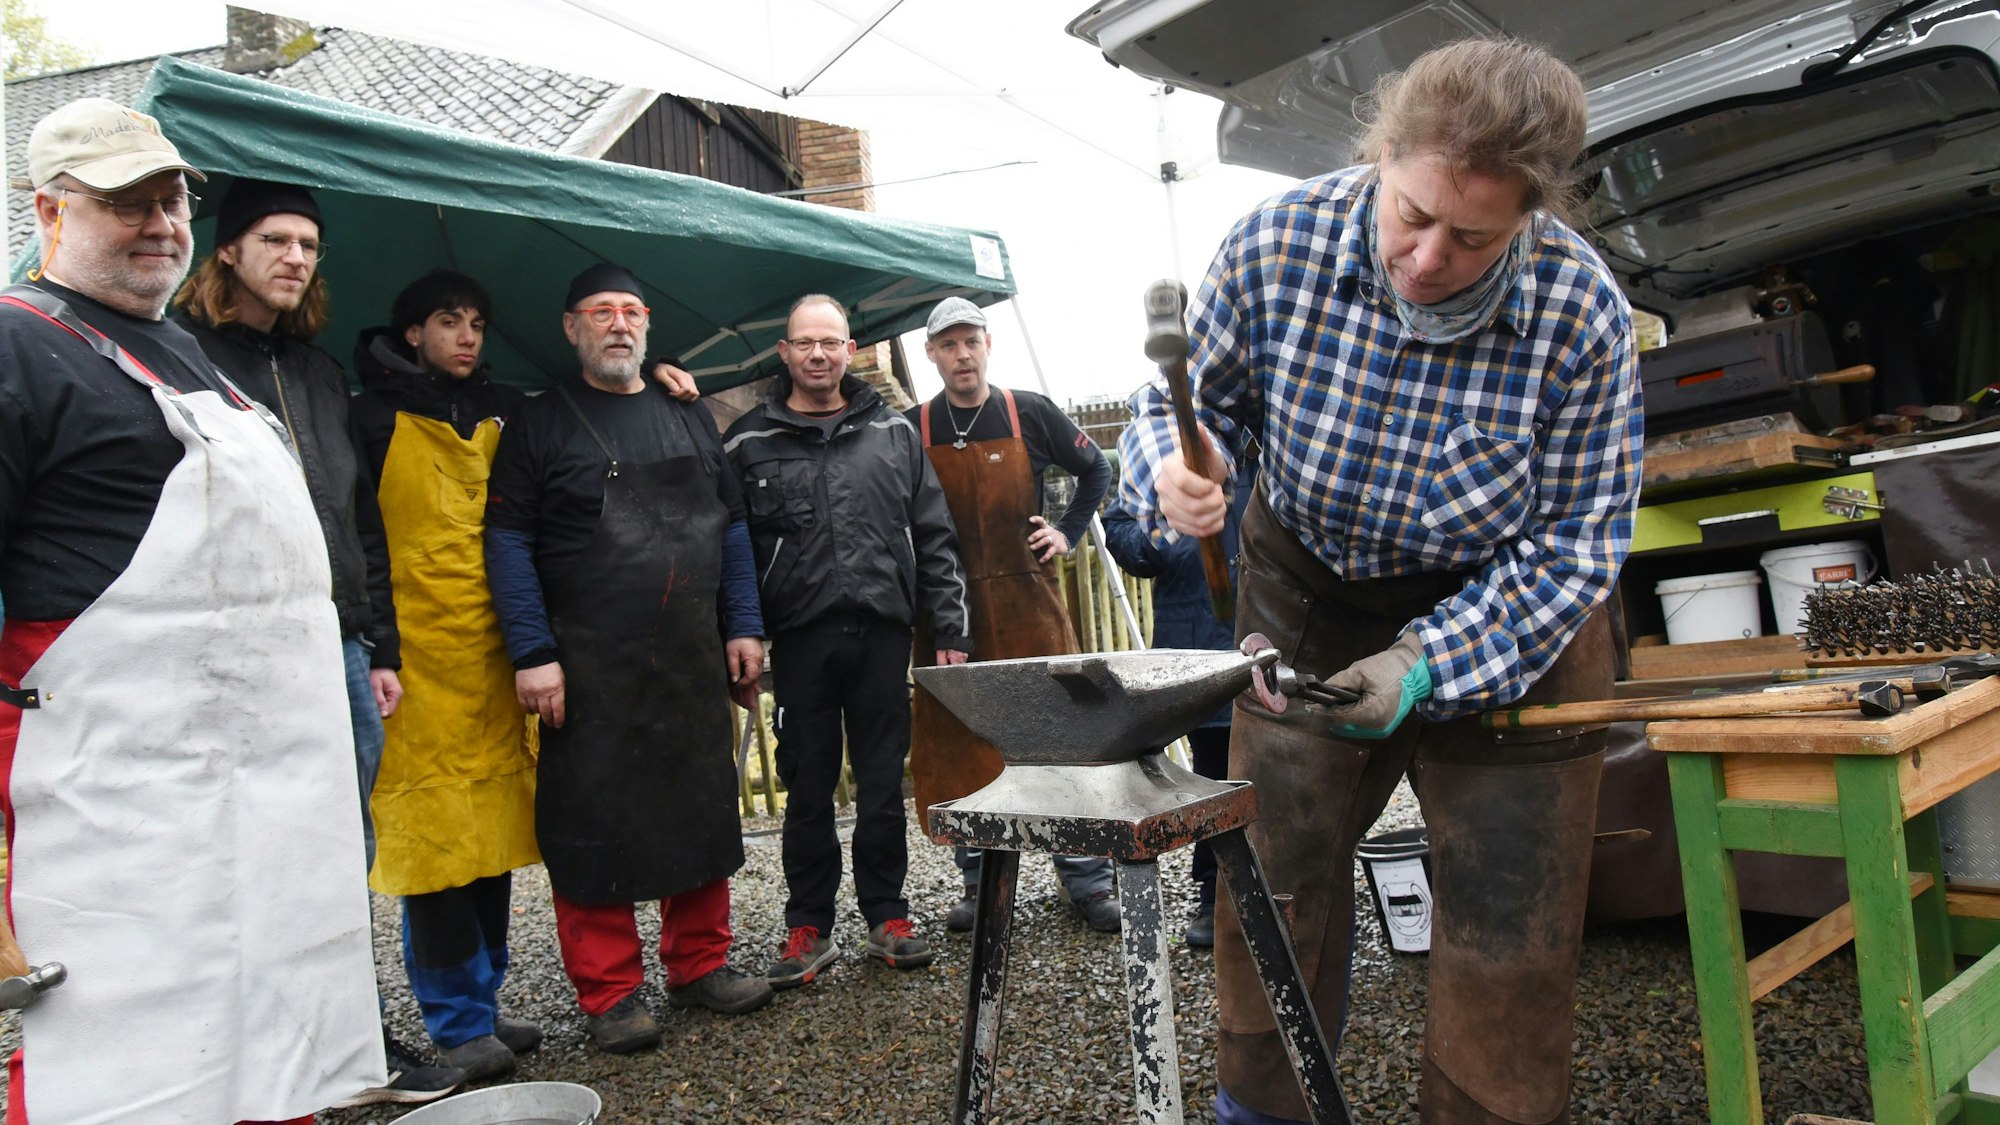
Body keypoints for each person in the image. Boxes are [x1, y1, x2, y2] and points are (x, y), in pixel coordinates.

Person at [1127, 39, 1643, 1125]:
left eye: (1472, 236)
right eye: (1410, 215)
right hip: (1306, 593)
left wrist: (1425, 660)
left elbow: (1578, 543)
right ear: (1381, 156)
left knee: (1508, 917)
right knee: (1271, 881)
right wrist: (1175, 473)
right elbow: (1185, 410)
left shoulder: (1579, 313)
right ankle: (1264, 1112)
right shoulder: (1275, 245)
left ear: (1530, 218)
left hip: (1515, 617)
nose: (1424, 257)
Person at [0, 97, 387, 1122]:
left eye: (171, 201)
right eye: (127, 204)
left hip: (266, 782)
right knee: (130, 1050)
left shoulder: (185, 348)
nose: (162, 225)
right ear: (49, 209)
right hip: (113, 788)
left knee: (273, 1019)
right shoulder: (14, 344)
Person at [173, 178, 465, 1105]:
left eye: (308, 244)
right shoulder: (181, 358)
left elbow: (357, 519)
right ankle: (254, 1049)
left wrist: (379, 643)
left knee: (344, 848)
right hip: (239, 644)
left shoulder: (315, 370)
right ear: (226, 251)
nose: (296, 257)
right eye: (275, 239)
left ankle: (353, 1041)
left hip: (339, 643)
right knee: (254, 849)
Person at [485, 264, 773, 1054]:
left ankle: (700, 963)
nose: (619, 324)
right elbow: (506, 542)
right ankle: (610, 993)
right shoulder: (540, 424)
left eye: (632, 312)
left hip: (687, 656)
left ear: (647, 326)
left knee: (699, 808)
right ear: (571, 327)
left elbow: (733, 527)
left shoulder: (688, 414)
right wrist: (533, 651)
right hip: (587, 664)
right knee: (591, 820)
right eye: (600, 313)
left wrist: (742, 623)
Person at [722, 294, 969, 989]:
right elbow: (729, 550)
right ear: (785, 352)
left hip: (883, 633)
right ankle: (809, 924)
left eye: (831, 342)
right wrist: (737, 634)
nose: (819, 355)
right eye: (806, 343)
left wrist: (948, 625)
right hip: (799, 640)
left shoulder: (893, 433)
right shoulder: (746, 441)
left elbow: (935, 534)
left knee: (885, 780)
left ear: (850, 348)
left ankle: (887, 913)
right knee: (806, 783)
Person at [349, 271, 543, 1082]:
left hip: (492, 655)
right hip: (412, 664)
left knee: (491, 834)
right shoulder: (365, 415)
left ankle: (485, 994)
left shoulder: (509, 409)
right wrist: (378, 647)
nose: (466, 335)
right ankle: (455, 1017)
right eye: (446, 321)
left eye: (475, 322)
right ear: (411, 332)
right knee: (431, 846)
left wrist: (673, 377)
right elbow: (358, 532)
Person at [903, 296, 1121, 934]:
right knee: (965, 744)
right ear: (933, 355)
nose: (962, 354)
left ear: (988, 345)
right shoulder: (914, 428)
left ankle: (1086, 878)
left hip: (1031, 605)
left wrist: (1065, 532)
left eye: (971, 341)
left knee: (1059, 735)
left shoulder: (1029, 412)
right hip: (951, 616)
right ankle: (981, 883)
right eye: (948, 344)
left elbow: (1095, 469)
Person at [1102, 406, 1254, 948]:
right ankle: (1215, 896)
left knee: (1284, 766)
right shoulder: (1161, 435)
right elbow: (1121, 527)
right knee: (1212, 772)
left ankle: (1279, 890)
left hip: (1268, 627)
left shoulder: (1262, 436)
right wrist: (1159, 540)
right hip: (1196, 635)